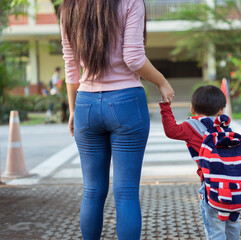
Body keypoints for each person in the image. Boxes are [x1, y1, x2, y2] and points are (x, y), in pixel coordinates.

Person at [60, 0, 174, 239]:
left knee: (92, 190)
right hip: (126, 102)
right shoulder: (130, 2)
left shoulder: (69, 6)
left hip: (86, 104)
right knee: (126, 192)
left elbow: (71, 66)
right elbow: (133, 58)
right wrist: (161, 81)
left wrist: (73, 110)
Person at [160, 85, 241, 240]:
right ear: (221, 111)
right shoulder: (225, 128)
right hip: (234, 187)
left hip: (212, 187)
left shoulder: (190, 127)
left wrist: (165, 107)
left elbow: (171, 131)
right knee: (232, 226)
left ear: (192, 108)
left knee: (216, 229)